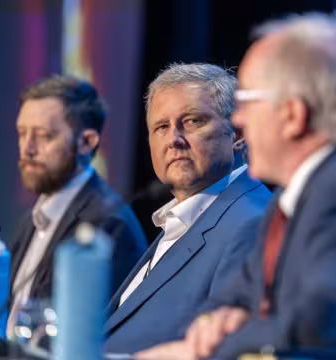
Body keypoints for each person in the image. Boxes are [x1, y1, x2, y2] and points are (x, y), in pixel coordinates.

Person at [137, 14, 336, 360]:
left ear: (293, 114)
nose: (237, 121)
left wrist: (210, 346)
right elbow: (241, 296)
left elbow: (315, 331)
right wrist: (217, 320)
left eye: (247, 103)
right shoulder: (299, 193)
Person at [103, 63, 271, 354]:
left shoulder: (251, 223)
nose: (174, 140)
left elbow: (227, 350)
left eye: (192, 121)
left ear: (239, 132)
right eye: (161, 127)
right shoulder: (184, 218)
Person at [8, 75, 147, 335]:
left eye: (43, 136)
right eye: (22, 134)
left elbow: (91, 338)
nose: (27, 149)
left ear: (87, 142)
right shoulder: (29, 221)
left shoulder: (109, 227)